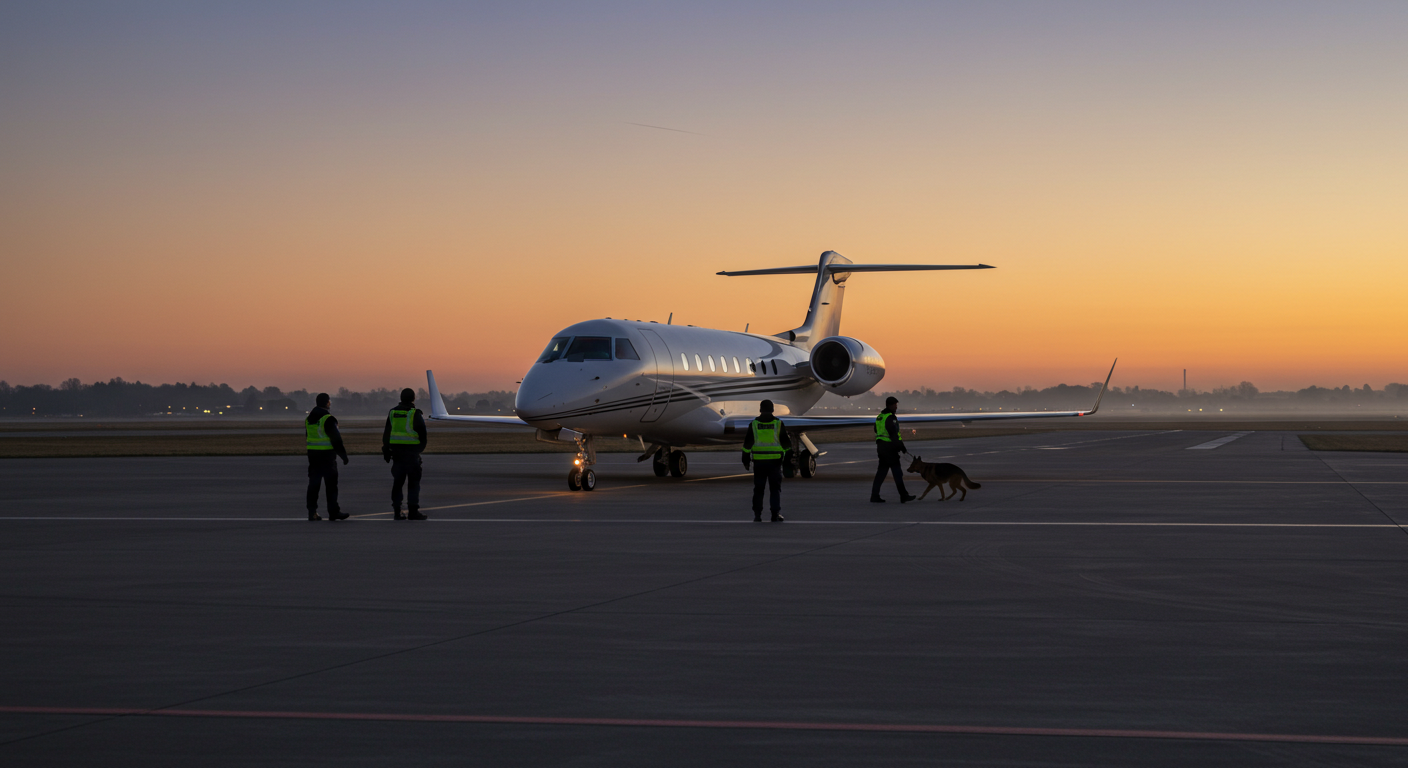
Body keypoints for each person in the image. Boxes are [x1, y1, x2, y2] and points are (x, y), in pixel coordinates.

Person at [382, 388, 429, 520]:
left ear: (401, 398)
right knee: (413, 484)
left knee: (397, 483)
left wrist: (386, 450)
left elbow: (386, 434)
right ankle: (413, 511)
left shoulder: (393, 412)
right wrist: (418, 451)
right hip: (411, 455)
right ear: (413, 398)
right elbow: (423, 435)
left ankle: (397, 511)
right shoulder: (414, 414)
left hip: (397, 455)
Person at [742, 399, 791, 522]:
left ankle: (757, 515)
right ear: (773, 409)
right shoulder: (778, 424)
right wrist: (787, 461)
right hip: (775, 462)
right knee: (775, 489)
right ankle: (775, 514)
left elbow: (747, 445)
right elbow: (786, 444)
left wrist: (746, 460)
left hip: (759, 463)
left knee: (759, 489)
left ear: (760, 409)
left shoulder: (753, 424)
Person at [305, 392, 350, 521]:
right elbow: (336, 439)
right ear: (327, 402)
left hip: (313, 456)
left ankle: (312, 512)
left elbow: (307, 436)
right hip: (326, 456)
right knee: (331, 486)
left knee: (314, 485)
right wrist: (343, 456)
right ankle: (333, 511)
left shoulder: (309, 419)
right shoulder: (327, 418)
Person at [871, 396, 916, 504]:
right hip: (889, 449)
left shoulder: (880, 417)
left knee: (881, 473)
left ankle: (874, 496)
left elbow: (876, 430)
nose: (896, 407)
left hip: (881, 448)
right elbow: (894, 434)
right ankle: (904, 496)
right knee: (897, 473)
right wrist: (902, 447)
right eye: (895, 405)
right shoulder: (891, 418)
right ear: (890, 405)